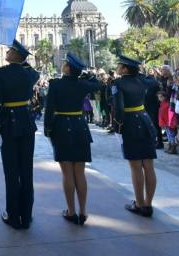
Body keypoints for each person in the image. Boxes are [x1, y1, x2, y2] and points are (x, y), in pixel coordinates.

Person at [44, 53, 102, 226]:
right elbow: (98, 84)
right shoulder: (82, 84)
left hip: (61, 126)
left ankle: (71, 211)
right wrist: (87, 74)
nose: (63, 64)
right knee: (80, 172)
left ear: (68, 68)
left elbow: (49, 109)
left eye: (65, 63)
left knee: (67, 172)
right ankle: (83, 211)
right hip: (79, 126)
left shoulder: (55, 84)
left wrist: (48, 129)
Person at [0, 40, 40, 230]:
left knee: (11, 172)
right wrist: (23, 59)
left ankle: (13, 215)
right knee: (27, 171)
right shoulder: (30, 73)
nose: (7, 52)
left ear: (16, 55)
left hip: (8, 125)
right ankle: (26, 217)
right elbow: (33, 72)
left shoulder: (2, 73)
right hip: (26, 123)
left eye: (10, 51)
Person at [111, 56, 157, 217]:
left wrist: (118, 126)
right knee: (149, 165)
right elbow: (154, 81)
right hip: (145, 120)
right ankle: (148, 204)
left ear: (125, 69)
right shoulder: (142, 80)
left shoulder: (118, 83)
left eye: (119, 65)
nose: (117, 68)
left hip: (130, 123)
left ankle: (139, 203)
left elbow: (119, 108)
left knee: (136, 166)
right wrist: (141, 73)